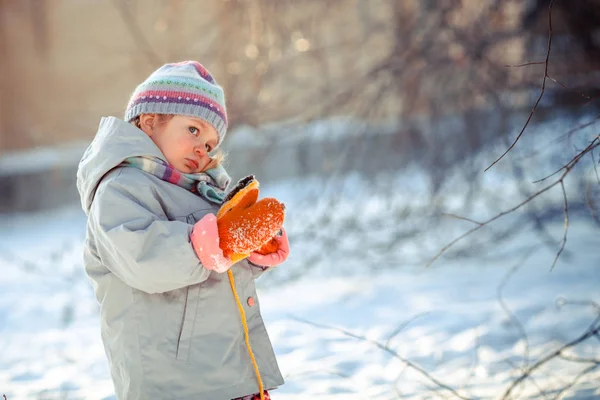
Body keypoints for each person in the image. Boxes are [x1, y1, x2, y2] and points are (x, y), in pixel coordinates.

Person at [76, 60, 289, 400]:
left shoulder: (200, 192)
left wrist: (249, 253)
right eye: (193, 130)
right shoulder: (120, 187)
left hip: (224, 370)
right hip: (173, 383)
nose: (201, 149)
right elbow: (144, 259)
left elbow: (212, 273)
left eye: (209, 143)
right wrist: (217, 240)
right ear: (149, 121)